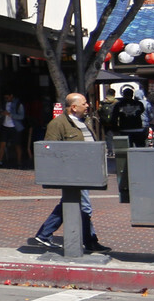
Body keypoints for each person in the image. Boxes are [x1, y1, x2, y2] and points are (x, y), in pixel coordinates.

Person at [29, 92, 110, 254]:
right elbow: (50, 150)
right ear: (73, 107)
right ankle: (89, 241)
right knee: (84, 206)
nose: (87, 106)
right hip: (72, 174)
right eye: (84, 103)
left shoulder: (84, 122)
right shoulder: (58, 124)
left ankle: (44, 235)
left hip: (86, 173)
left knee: (71, 203)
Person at [0, 92, 26, 167]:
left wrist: (10, 114)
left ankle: (19, 162)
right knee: (2, 144)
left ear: (11, 96)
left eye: (7, 98)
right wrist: (1, 114)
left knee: (17, 145)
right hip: (5, 126)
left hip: (15, 127)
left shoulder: (18, 104)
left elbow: (21, 116)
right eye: (5, 98)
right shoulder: (4, 104)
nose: (6, 99)